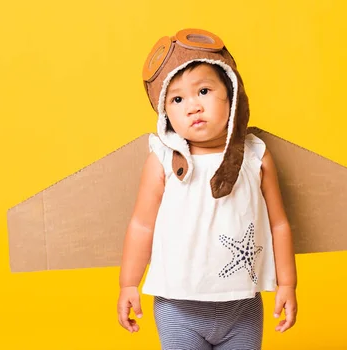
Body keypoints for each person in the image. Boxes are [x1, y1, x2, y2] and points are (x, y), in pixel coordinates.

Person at [116, 29, 298, 349]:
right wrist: (129, 283)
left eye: (203, 90)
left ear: (232, 95)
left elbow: (279, 223)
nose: (193, 106)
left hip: (241, 306)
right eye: (177, 98)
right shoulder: (163, 160)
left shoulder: (255, 155)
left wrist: (288, 283)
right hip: (177, 307)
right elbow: (142, 224)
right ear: (165, 112)